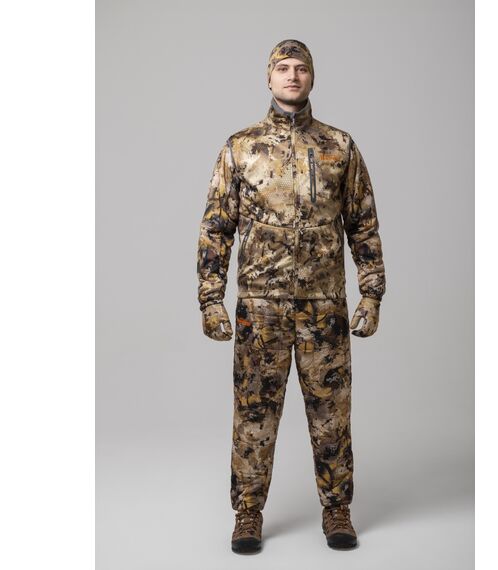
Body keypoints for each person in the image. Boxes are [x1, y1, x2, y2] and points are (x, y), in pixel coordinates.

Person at [197, 39, 386, 553]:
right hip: (261, 308)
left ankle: (337, 509)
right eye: (283, 68)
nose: (292, 76)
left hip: (325, 307)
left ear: (312, 77)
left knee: (332, 413)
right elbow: (216, 227)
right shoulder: (240, 147)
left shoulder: (339, 147)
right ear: (269, 77)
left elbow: (363, 224)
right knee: (253, 413)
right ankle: (248, 513)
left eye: (301, 68)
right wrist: (211, 299)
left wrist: (371, 294)